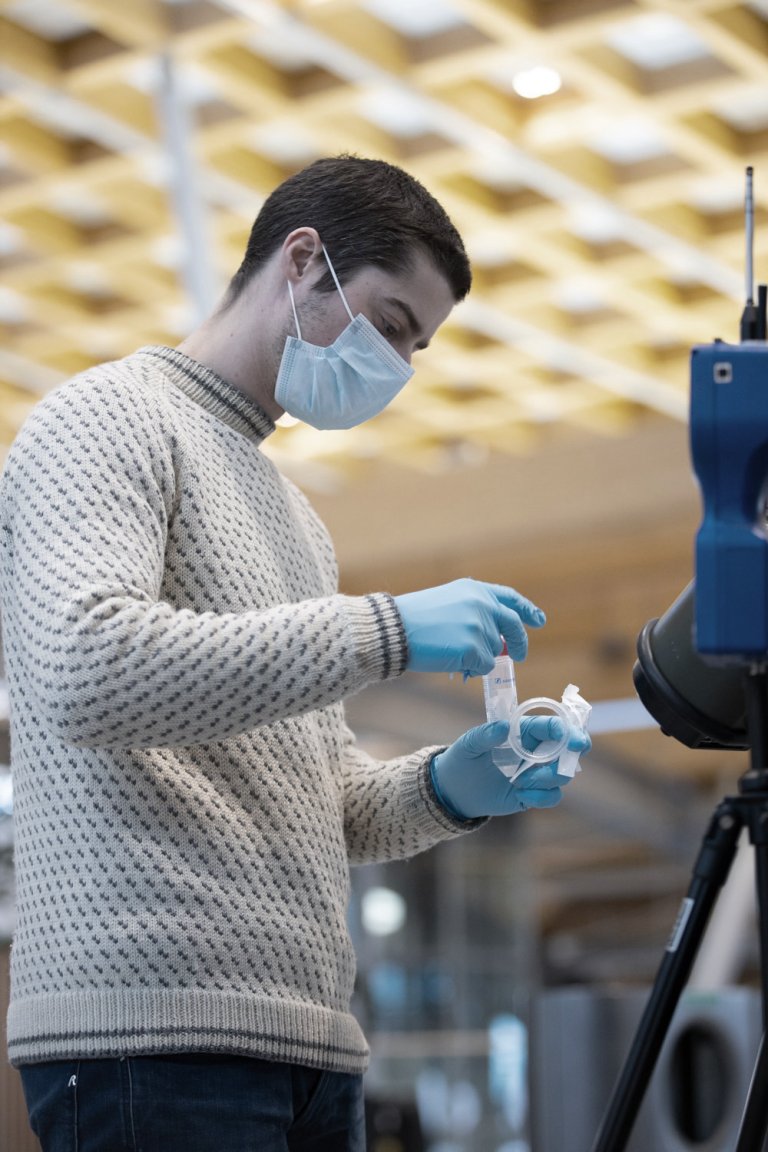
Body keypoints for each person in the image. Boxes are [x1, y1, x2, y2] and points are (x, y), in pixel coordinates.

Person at [0, 155, 589, 1151]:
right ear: (304, 261)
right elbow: (86, 670)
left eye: (418, 349)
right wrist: (387, 629)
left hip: (313, 1049)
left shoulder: (296, 521)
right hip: (154, 1037)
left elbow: (327, 801)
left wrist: (454, 784)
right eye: (392, 325)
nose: (397, 367)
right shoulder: (106, 417)